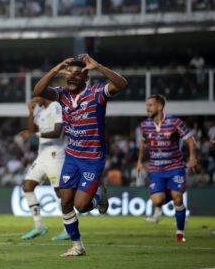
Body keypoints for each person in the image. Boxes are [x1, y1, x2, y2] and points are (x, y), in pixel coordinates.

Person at [32, 53, 128, 257]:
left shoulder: (97, 93)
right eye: (69, 73)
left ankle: (99, 196)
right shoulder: (62, 94)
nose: (72, 76)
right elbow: (37, 91)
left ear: (85, 77)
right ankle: (78, 246)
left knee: (81, 205)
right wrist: (55, 69)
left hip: (93, 158)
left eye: (78, 73)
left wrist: (98, 66)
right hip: (72, 157)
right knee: (65, 201)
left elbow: (122, 84)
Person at [136, 94, 197, 242]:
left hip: (175, 166)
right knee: (158, 201)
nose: (147, 108)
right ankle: (168, 200)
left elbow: (190, 139)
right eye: (147, 105)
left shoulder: (174, 122)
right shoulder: (145, 125)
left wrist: (192, 157)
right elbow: (144, 143)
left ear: (160, 107)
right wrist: (139, 161)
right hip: (156, 168)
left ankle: (180, 233)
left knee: (177, 198)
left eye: (150, 105)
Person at [20, 96, 70, 241]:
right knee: (27, 186)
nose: (34, 99)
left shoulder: (56, 107)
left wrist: (34, 134)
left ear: (45, 95)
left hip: (56, 153)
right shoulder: (40, 111)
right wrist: (30, 112)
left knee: (60, 192)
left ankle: (68, 228)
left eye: (36, 96)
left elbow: (57, 132)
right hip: (42, 155)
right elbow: (32, 130)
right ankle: (39, 226)